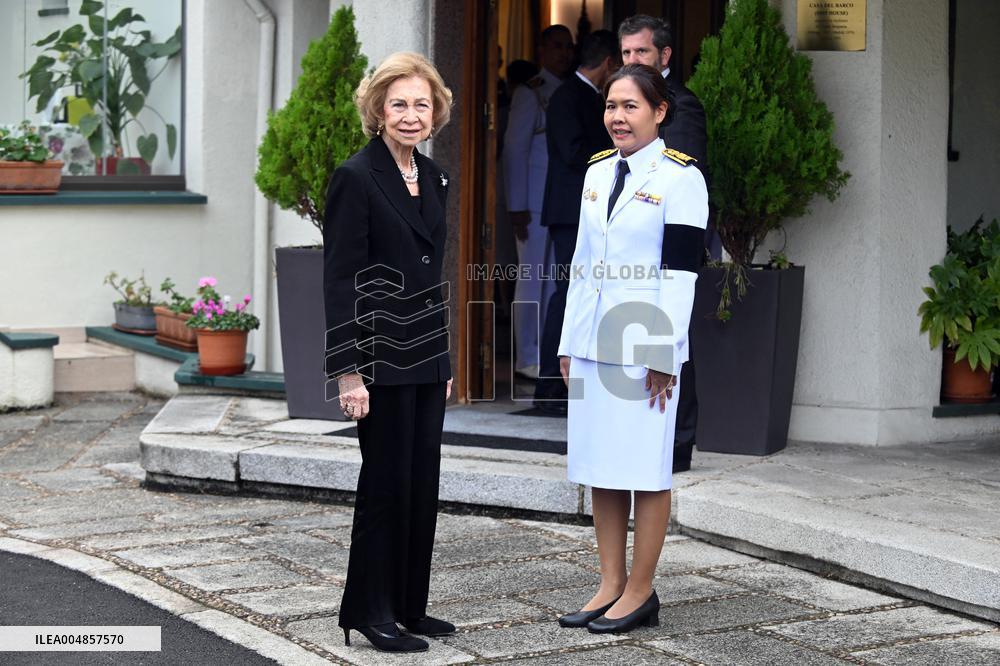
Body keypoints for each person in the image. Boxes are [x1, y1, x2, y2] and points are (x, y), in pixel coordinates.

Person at [556, 64, 708, 633]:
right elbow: (580, 265)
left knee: (645, 468)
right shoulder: (597, 172)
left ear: (660, 112)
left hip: (645, 346)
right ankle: (609, 583)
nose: (617, 117)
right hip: (595, 339)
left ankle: (641, 591)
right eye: (610, 106)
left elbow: (681, 273)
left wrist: (664, 353)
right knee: (603, 465)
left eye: (630, 107)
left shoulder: (680, 178)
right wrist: (569, 342)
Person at [323, 51, 455, 654]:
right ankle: (369, 610)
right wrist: (348, 371)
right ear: (378, 110)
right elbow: (341, 278)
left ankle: (409, 605)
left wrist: (444, 363)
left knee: (420, 482)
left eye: (420, 105)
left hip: (425, 356)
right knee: (384, 484)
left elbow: (432, 275)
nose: (409, 115)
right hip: (377, 359)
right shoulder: (356, 176)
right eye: (398, 103)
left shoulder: (433, 177)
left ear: (435, 114)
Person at [619, 14, 710, 472]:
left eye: (642, 53)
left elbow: (683, 176)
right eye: (627, 54)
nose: (633, 61)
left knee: (673, 342)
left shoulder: (683, 105)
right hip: (628, 247)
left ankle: (677, 445)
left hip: (665, 244)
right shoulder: (623, 103)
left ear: (665, 56)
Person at [533, 30, 618, 414]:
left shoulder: (587, 95)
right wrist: (617, 153)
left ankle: (570, 379)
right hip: (571, 213)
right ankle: (549, 384)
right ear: (608, 64)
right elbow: (572, 153)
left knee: (581, 292)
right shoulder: (569, 96)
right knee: (568, 293)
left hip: (586, 210)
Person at [503, 24, 574, 380]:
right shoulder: (531, 93)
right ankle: (526, 357)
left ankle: (547, 354)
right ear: (543, 49)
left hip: (557, 202)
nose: (564, 53)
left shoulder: (570, 91)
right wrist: (516, 205)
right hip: (531, 203)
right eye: (558, 46)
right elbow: (515, 151)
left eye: (568, 47)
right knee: (531, 280)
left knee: (553, 283)